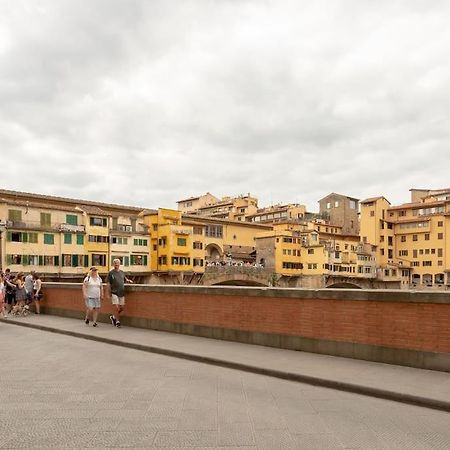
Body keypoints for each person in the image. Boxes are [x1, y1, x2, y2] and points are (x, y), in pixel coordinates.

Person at [106, 258, 133, 328]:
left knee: (122, 308)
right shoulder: (111, 273)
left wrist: (128, 281)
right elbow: (108, 283)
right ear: (113, 264)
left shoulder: (122, 272)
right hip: (114, 292)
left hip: (121, 292)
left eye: (117, 263)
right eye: (115, 263)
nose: (116, 265)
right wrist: (108, 293)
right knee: (117, 308)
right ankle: (117, 322)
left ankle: (113, 317)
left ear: (119, 264)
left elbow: (125, 279)